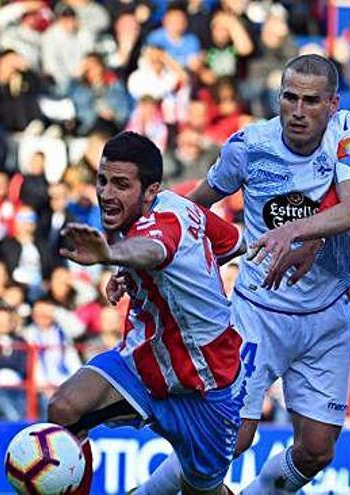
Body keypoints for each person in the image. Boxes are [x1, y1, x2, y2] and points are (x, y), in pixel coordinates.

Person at [179, 54, 350, 494]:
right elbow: (198, 202)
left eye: (311, 101)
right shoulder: (248, 146)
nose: (298, 111)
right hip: (258, 313)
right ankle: (153, 490)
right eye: (289, 98)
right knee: (233, 440)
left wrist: (293, 233)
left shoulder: (347, 134)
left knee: (318, 449)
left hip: (326, 316)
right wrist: (141, 249)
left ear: (332, 103)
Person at [47, 131, 245, 495]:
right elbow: (232, 242)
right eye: (102, 181)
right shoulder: (182, 208)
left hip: (205, 386)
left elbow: (154, 249)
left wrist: (113, 257)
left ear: (150, 190)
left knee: (203, 490)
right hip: (143, 364)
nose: (106, 194)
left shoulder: (161, 224)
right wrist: (128, 273)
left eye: (121, 185)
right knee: (63, 409)